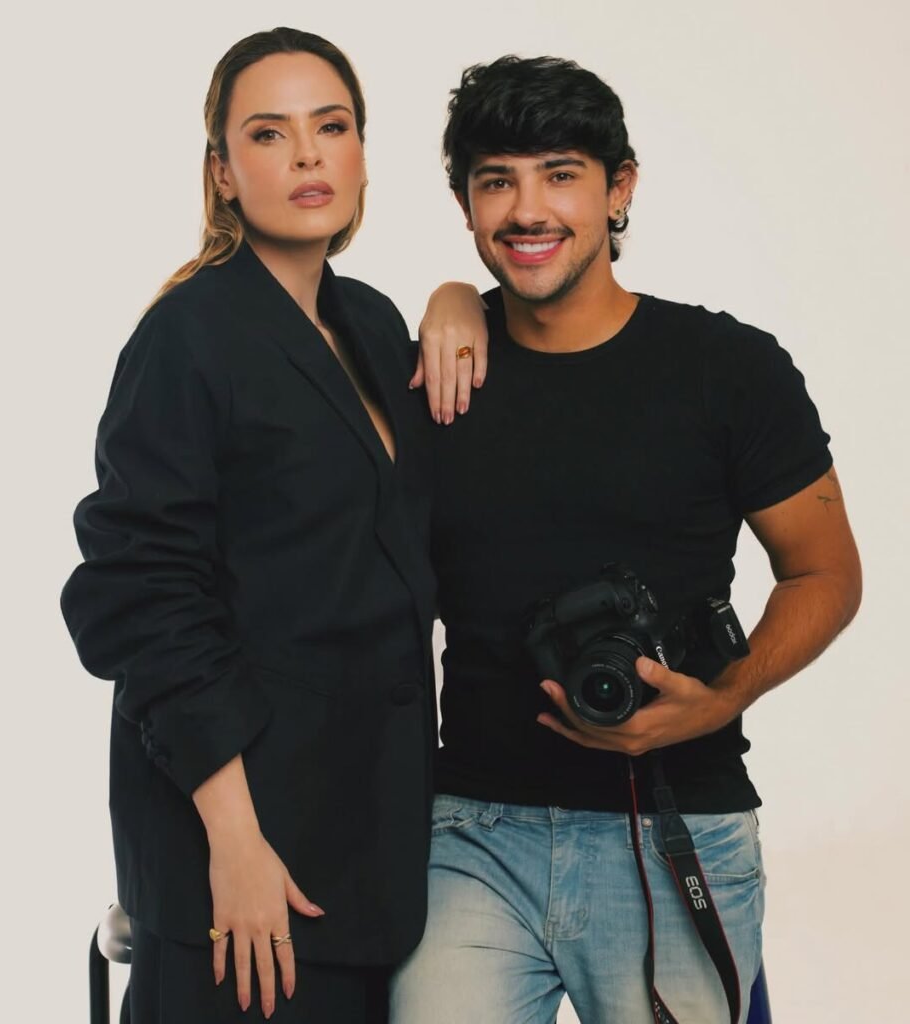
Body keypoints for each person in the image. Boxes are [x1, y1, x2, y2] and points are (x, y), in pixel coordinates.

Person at [390, 55, 862, 1024]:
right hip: (473, 830)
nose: (527, 209)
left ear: (619, 188)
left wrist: (722, 695)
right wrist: (447, 296)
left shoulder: (727, 370)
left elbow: (825, 571)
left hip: (678, 815)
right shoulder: (434, 377)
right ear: (464, 203)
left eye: (559, 173)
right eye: (495, 180)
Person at [61, 28, 486, 1024]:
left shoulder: (370, 323)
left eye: (330, 127)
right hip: (244, 854)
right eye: (268, 133)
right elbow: (143, 595)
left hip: (369, 846)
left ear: (362, 153)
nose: (305, 155)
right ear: (223, 172)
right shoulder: (189, 333)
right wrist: (235, 842)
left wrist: (460, 296)